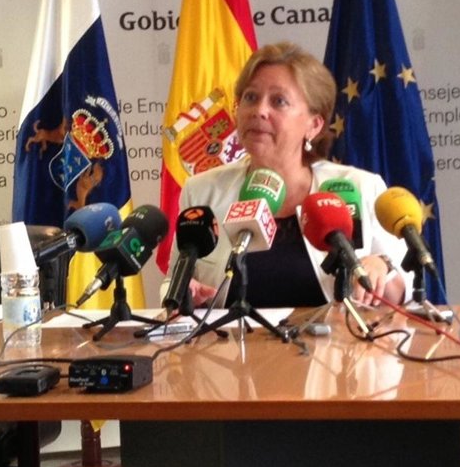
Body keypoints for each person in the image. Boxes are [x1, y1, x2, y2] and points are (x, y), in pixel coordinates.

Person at [171, 41, 410, 309]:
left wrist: (381, 267)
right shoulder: (202, 191)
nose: (259, 110)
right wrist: (184, 292)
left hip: (336, 337)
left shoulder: (359, 187)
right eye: (250, 97)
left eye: (279, 101)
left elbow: (402, 293)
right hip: (229, 337)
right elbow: (174, 282)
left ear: (314, 125)